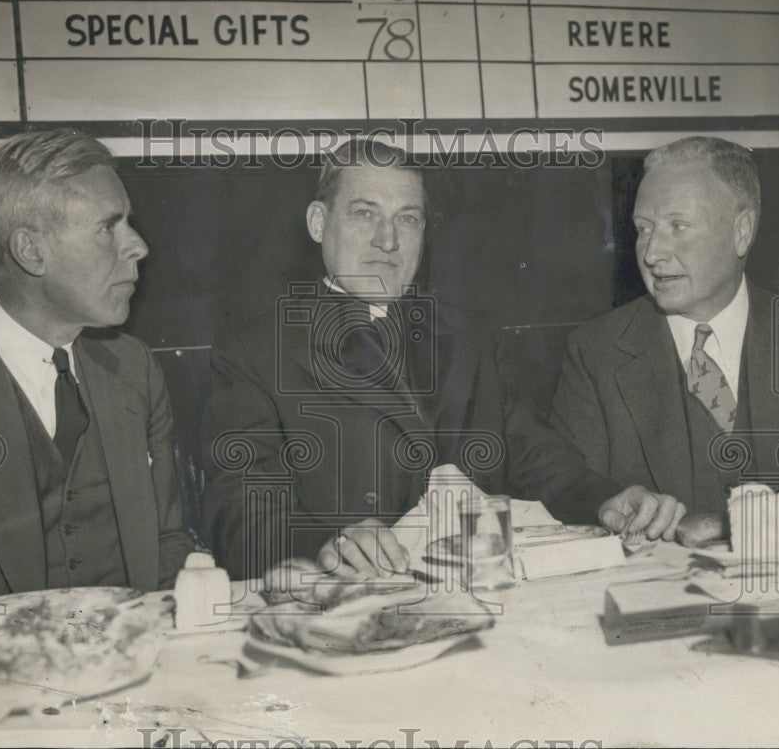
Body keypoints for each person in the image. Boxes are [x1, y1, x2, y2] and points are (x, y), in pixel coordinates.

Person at [201, 138, 676, 582]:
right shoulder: (258, 349)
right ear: (319, 223)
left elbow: (533, 455)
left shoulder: (469, 336)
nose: (387, 240)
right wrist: (327, 541)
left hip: (482, 592)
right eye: (364, 213)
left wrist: (605, 498)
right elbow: (238, 510)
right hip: (352, 605)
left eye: (407, 219)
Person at [0, 129, 195, 617]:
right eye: (108, 227)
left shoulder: (134, 368)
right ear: (31, 251)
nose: (138, 246)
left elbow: (167, 542)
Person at [551, 136, 779, 519]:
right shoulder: (596, 354)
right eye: (644, 228)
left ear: (741, 231)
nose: (652, 253)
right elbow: (568, 492)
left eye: (678, 226)